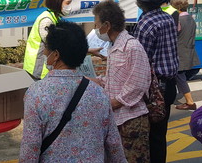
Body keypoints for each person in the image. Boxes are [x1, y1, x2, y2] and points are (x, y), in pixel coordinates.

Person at [19, 21, 126, 162]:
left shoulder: (36, 93)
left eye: (46, 47)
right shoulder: (99, 93)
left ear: (56, 55)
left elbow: (30, 147)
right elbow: (113, 144)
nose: (44, 52)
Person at [125, 0, 179, 163]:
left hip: (154, 88)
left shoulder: (146, 23)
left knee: (145, 137)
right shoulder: (167, 18)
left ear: (142, 1)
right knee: (159, 136)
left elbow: (140, 61)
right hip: (169, 85)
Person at [93, 0, 151, 162]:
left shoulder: (131, 47)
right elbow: (118, 79)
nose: (95, 29)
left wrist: (113, 102)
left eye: (96, 25)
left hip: (131, 120)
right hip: (116, 119)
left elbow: (137, 84)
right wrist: (98, 81)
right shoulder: (114, 46)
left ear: (107, 25)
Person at [23, 0, 72, 80]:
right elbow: (54, 44)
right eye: (67, 3)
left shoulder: (55, 17)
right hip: (38, 69)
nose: (69, 7)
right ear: (57, 2)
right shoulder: (46, 20)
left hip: (43, 68)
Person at [171, 0, 200, 110]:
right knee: (179, 77)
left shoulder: (178, 20)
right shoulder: (191, 19)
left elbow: (174, 35)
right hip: (189, 51)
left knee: (180, 77)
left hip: (180, 53)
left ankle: (190, 102)